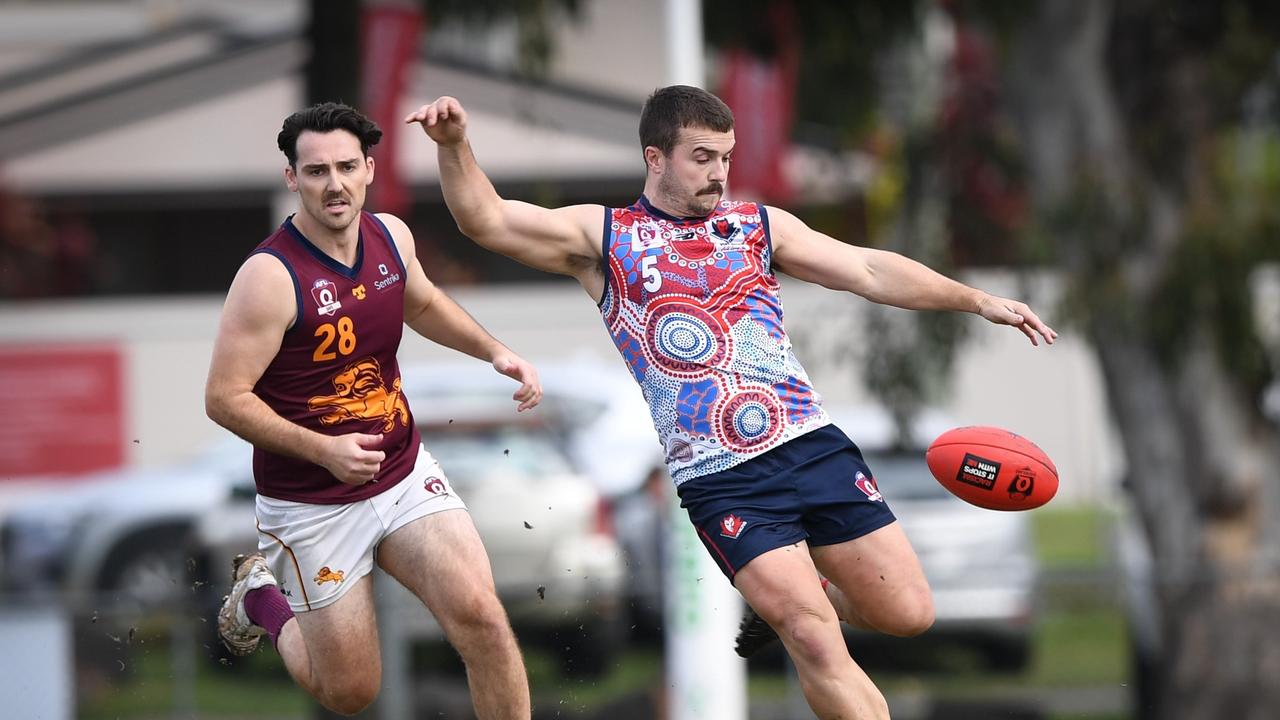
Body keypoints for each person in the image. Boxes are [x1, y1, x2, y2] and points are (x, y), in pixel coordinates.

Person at [406, 86, 1057, 720]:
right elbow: (484, 219)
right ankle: (794, 605)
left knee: (908, 614)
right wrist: (456, 146)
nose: (718, 173)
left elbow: (866, 269)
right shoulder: (604, 237)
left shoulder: (755, 225)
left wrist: (976, 300)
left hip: (811, 445)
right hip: (723, 478)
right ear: (655, 157)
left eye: (725, 157)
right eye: (701, 158)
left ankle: (806, 592)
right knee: (813, 636)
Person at [204, 102, 537, 718]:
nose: (333, 184)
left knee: (484, 620)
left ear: (368, 170)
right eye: (316, 171)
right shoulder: (269, 276)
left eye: (346, 167)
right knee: (352, 693)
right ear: (292, 179)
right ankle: (260, 599)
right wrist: (322, 449)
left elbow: (424, 302)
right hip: (312, 504)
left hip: (402, 475)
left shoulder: (391, 236)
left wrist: (495, 350)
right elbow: (223, 399)